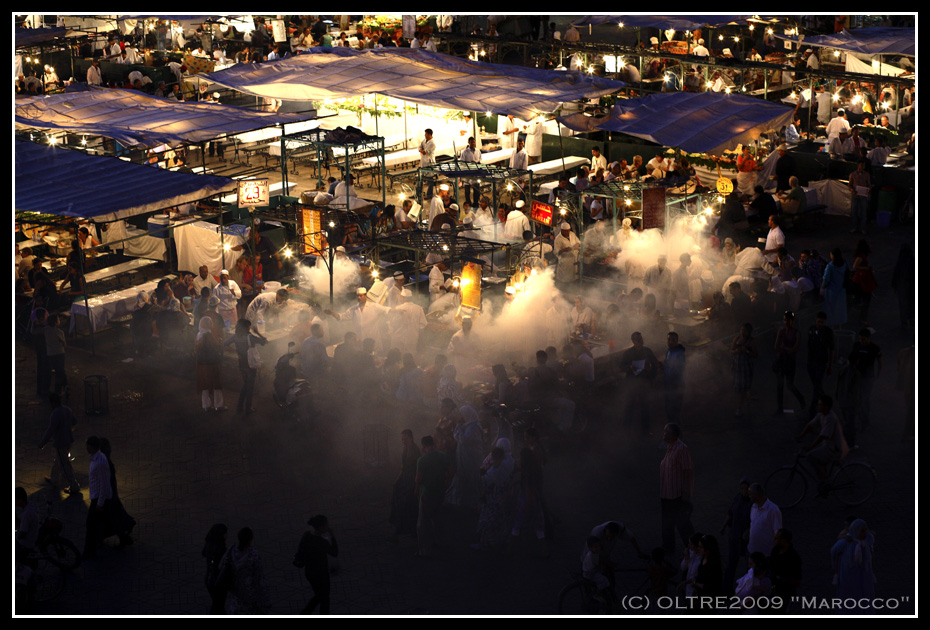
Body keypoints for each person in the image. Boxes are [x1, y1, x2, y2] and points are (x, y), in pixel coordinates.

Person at [474, 438, 517, 551]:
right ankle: (503, 540)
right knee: (504, 518)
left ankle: (487, 542)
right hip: (508, 495)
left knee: (490, 518)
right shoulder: (511, 460)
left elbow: (486, 479)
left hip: (494, 496)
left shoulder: (496, 463)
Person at [659, 423, 695, 556]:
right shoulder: (671, 447)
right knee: (667, 522)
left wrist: (686, 493)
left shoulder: (681, 449)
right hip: (667, 494)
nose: (663, 434)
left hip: (677, 495)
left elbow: (687, 471)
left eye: (665, 432)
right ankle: (668, 547)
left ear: (673, 434)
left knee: (682, 523)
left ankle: (692, 546)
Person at [415, 435, 452, 558]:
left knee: (423, 522)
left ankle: (424, 549)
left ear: (424, 446)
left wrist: (416, 490)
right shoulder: (444, 456)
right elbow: (451, 471)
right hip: (440, 492)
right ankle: (441, 542)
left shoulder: (422, 460)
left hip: (427, 493)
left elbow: (418, 479)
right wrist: (447, 484)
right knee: (437, 518)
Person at [219, 527, 271, 614]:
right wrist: (265, 600)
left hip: (234, 587)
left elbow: (221, 566)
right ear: (250, 540)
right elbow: (259, 578)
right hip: (249, 590)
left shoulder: (231, 550)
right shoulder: (253, 555)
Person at [294, 515, 338, 615]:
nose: (328, 527)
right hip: (321, 575)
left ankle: (305, 613)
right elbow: (335, 552)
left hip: (309, 573)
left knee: (319, 595)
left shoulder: (306, 535)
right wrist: (332, 536)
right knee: (324, 598)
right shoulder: (322, 542)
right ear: (321, 527)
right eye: (326, 525)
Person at [509, 446, 548, 558]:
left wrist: (527, 505)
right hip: (534, 498)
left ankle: (510, 549)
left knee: (516, 525)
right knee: (539, 528)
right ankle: (544, 551)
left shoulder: (527, 472)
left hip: (526, 499)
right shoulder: (533, 468)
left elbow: (528, 488)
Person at [38, 392, 80, 495]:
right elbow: (74, 421)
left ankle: (74, 485)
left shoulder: (55, 413)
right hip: (69, 440)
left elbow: (50, 430)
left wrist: (42, 443)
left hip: (61, 442)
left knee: (64, 464)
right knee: (58, 460)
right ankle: (54, 478)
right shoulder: (67, 410)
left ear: (53, 403)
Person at [618, 332, 659, 435]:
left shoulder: (647, 351)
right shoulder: (628, 353)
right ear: (633, 341)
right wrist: (630, 367)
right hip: (632, 382)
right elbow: (621, 366)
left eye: (640, 339)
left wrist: (652, 377)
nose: (639, 341)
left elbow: (655, 364)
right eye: (637, 339)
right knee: (629, 405)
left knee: (645, 406)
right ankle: (626, 429)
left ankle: (646, 430)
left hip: (644, 381)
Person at [224, 318, 268, 414]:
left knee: (246, 384)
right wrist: (257, 332)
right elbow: (265, 341)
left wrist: (232, 349)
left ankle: (240, 407)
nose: (249, 328)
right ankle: (247, 408)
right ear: (246, 327)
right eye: (248, 326)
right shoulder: (250, 337)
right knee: (249, 386)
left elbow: (225, 344)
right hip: (250, 363)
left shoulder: (235, 336)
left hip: (241, 363)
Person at [98, 438, 135, 549]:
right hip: (111, 495)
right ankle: (125, 529)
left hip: (108, 496)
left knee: (113, 516)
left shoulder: (104, 464)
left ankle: (122, 535)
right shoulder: (106, 462)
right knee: (115, 514)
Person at [830, 519, 876, 606]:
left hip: (864, 576)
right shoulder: (844, 543)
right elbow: (833, 552)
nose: (864, 533)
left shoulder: (865, 542)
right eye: (862, 531)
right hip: (848, 576)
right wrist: (836, 572)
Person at [720, 478, 752, 596]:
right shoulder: (738, 498)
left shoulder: (751, 503)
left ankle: (747, 590)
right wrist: (723, 527)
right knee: (731, 563)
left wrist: (748, 531)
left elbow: (754, 521)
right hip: (734, 535)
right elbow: (730, 513)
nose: (743, 491)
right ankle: (727, 589)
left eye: (745, 488)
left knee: (748, 565)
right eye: (742, 488)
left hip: (745, 539)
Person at [388, 430, 421, 540]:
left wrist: (416, 485)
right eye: (402, 439)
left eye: (405, 439)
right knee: (401, 504)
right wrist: (398, 479)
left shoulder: (415, 451)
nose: (403, 441)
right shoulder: (406, 448)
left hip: (411, 480)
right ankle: (410, 530)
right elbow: (404, 466)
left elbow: (418, 469)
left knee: (406, 506)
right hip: (405, 479)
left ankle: (400, 532)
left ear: (411, 438)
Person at [83, 436, 112, 559]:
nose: (86, 448)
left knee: (90, 524)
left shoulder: (99, 462)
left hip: (98, 499)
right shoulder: (96, 459)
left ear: (93, 447)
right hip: (97, 497)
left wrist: (100, 503)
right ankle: (98, 541)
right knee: (97, 523)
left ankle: (89, 551)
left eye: (88, 445)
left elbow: (104, 484)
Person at [848, 328, 881, 433]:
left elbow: (880, 363)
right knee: (857, 399)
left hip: (868, 378)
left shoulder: (874, 348)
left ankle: (864, 422)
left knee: (865, 400)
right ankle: (858, 420)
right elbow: (852, 359)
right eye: (860, 339)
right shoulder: (856, 345)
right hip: (857, 376)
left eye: (864, 339)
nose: (862, 341)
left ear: (868, 338)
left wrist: (877, 376)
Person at [773, 311, 806, 415]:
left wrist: (783, 349)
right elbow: (776, 347)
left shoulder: (797, 333)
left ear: (792, 321)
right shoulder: (781, 331)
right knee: (780, 385)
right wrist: (786, 349)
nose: (786, 322)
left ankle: (800, 397)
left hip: (790, 362)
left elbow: (794, 349)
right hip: (782, 360)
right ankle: (780, 409)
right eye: (785, 320)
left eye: (788, 320)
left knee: (789, 384)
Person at [195, 317, 226, 412]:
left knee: (205, 385)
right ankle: (219, 405)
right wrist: (220, 343)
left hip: (201, 363)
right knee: (216, 384)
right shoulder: (208, 335)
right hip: (211, 363)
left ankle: (206, 405)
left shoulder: (199, 334)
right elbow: (215, 347)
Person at [746, 483, 781, 559]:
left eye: (750, 494)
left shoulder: (773, 510)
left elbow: (777, 532)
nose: (749, 497)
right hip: (752, 550)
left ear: (757, 495)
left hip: (766, 554)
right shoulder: (753, 507)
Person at [731, 323, 758, 417]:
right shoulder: (736, 339)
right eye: (741, 329)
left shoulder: (752, 341)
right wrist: (737, 351)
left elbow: (755, 355)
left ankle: (741, 406)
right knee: (739, 388)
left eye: (744, 330)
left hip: (746, 367)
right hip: (737, 367)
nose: (742, 332)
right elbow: (731, 351)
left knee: (745, 387)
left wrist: (746, 351)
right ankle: (744, 404)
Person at [202, 524, 229, 614]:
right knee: (218, 606)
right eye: (225, 533)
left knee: (217, 604)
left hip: (209, 580)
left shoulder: (209, 543)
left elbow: (204, 553)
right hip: (218, 581)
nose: (227, 535)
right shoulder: (220, 549)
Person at [851, 240, 877, 326]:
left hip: (861, 280)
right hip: (860, 280)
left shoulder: (863, 256)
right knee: (866, 300)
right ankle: (862, 318)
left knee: (864, 299)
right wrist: (866, 268)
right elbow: (855, 266)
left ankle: (861, 315)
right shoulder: (861, 257)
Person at [821, 248, 848, 328]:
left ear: (832, 255)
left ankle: (832, 329)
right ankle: (840, 327)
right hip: (841, 291)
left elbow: (826, 279)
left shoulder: (830, 266)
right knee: (840, 310)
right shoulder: (845, 263)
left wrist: (822, 287)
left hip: (831, 292)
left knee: (830, 311)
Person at [44, 313, 69, 397]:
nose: (59, 321)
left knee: (59, 371)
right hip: (60, 353)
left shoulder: (46, 330)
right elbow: (64, 344)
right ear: (55, 323)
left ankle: (65, 386)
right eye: (58, 320)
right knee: (60, 371)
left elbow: (34, 331)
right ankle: (60, 389)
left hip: (51, 354)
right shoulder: (59, 332)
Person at [847, 159, 872, 234]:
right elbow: (849, 185)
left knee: (863, 212)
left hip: (863, 195)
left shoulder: (867, 174)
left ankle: (863, 228)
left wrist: (868, 190)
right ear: (858, 165)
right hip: (855, 195)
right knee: (854, 212)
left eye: (864, 165)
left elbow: (869, 184)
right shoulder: (853, 174)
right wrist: (852, 190)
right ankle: (855, 227)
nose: (863, 167)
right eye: (861, 165)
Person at [418, 128, 437, 199]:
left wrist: (421, 150)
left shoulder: (432, 143)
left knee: (430, 179)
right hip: (423, 161)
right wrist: (420, 150)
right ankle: (418, 193)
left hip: (429, 162)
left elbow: (425, 152)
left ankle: (429, 194)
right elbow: (419, 147)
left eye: (425, 134)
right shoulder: (424, 140)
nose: (424, 135)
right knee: (420, 178)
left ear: (429, 134)